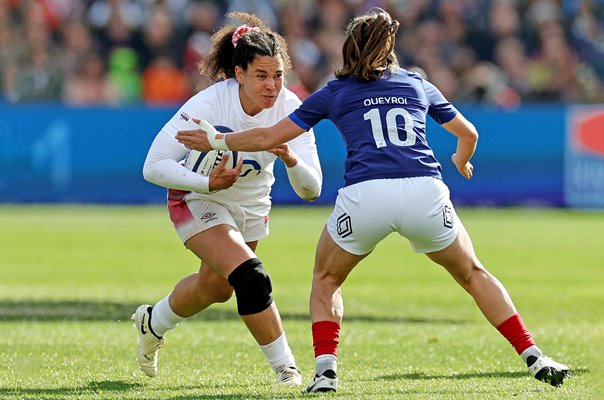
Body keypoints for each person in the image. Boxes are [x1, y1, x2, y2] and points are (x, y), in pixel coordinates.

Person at [176, 8, 570, 393]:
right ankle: (534, 355)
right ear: (390, 48)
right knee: (473, 274)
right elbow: (469, 134)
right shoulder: (417, 83)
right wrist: (460, 162)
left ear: (349, 48)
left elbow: (266, 138)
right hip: (424, 190)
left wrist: (218, 140)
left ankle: (326, 372)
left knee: (327, 279)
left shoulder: (335, 91)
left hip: (366, 196)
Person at [134, 12, 322, 386]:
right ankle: (287, 371)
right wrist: (205, 184)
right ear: (239, 74)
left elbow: (311, 190)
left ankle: (152, 322)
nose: (272, 86)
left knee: (217, 288)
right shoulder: (209, 105)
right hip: (198, 198)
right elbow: (153, 166)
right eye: (261, 76)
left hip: (251, 206)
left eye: (279, 75)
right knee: (252, 276)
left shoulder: (290, 109)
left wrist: (291, 159)